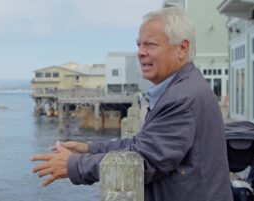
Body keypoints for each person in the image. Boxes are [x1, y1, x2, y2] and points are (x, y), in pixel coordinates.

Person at [31, 7, 233, 201]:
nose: (140, 52)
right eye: (139, 45)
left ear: (182, 48)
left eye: (150, 45)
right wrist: (89, 149)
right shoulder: (183, 89)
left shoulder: (182, 97)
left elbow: (143, 161)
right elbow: (140, 145)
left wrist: (74, 165)